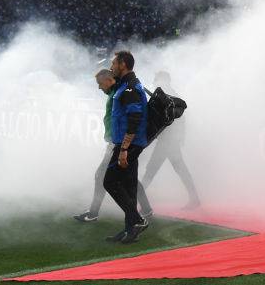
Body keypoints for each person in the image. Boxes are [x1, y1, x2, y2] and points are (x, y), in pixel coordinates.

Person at [74, 68, 152, 223]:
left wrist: (122, 145)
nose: (98, 87)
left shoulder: (121, 91)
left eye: (100, 83)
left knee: (101, 176)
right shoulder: (115, 92)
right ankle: (147, 210)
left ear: (109, 80)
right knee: (129, 178)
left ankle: (94, 213)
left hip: (119, 144)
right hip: (117, 143)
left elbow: (132, 116)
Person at [102, 50, 150, 243]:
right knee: (129, 187)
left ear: (123, 64)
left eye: (114, 63)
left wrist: (123, 149)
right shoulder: (127, 85)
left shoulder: (130, 87)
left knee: (109, 181)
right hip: (129, 144)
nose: (111, 66)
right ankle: (130, 230)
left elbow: (135, 117)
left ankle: (138, 220)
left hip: (128, 145)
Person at [141, 71, 201, 209]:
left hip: (168, 141)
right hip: (169, 140)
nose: (155, 82)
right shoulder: (167, 94)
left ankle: (137, 199)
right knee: (178, 169)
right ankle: (195, 198)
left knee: (151, 170)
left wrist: (178, 137)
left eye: (157, 80)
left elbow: (179, 118)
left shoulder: (167, 95)